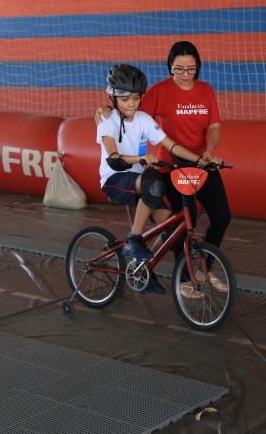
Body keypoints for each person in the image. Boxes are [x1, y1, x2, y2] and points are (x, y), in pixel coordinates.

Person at [97, 41, 231, 297]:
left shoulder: (205, 91)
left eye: (190, 69)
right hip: (167, 169)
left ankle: (201, 268)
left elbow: (211, 127)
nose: (184, 74)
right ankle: (183, 277)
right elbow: (126, 113)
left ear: (198, 68)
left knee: (217, 217)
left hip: (199, 161)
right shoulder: (158, 92)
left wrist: (206, 156)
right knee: (183, 221)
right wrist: (107, 109)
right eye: (178, 69)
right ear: (170, 67)